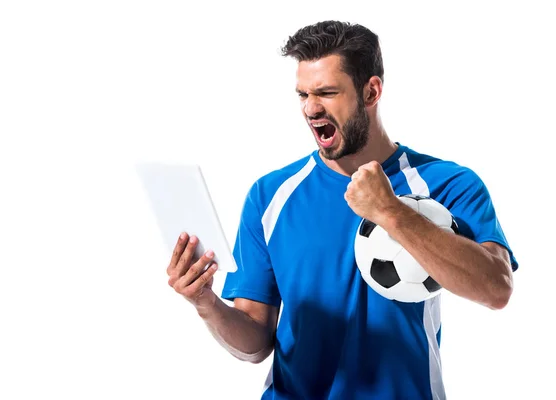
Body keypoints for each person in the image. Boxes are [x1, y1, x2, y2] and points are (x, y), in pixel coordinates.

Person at [165, 20, 517, 400]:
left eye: (327, 92)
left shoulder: (446, 183)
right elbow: (254, 343)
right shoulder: (270, 196)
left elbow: (496, 288)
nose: (311, 108)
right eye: (302, 94)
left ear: (371, 91)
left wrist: (391, 212)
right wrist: (206, 303)